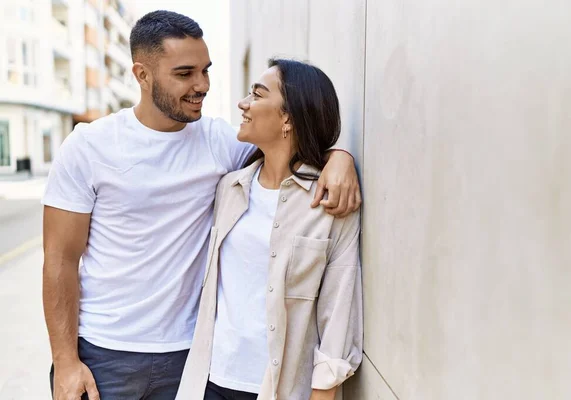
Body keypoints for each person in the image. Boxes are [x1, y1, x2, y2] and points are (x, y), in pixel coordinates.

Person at [42, 11, 361, 400]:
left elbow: (293, 143)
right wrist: (66, 360)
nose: (202, 85)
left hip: (189, 358)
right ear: (142, 75)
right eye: (184, 73)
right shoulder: (89, 146)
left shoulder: (222, 144)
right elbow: (59, 259)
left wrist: (341, 156)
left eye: (205, 71)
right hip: (105, 353)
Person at [176, 59, 363, 400]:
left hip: (279, 388)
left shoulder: (329, 203)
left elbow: (339, 313)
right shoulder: (230, 188)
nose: (243, 104)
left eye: (257, 95)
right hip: (211, 380)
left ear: (288, 119)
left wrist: (324, 391)